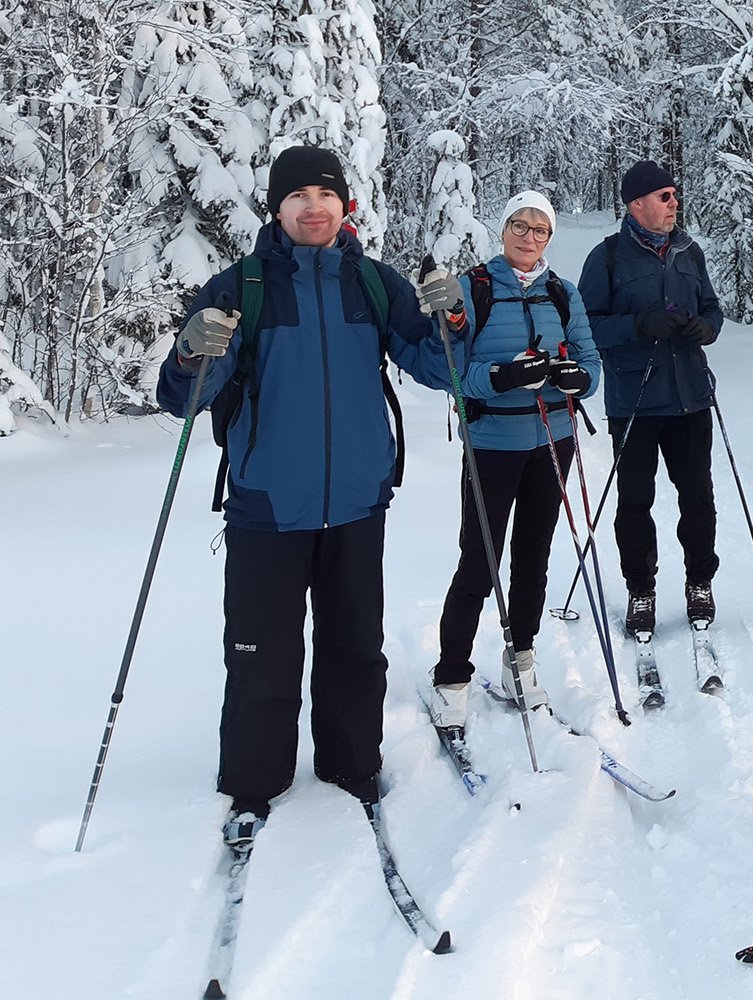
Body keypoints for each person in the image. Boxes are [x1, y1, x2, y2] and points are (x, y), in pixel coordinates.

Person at [156, 145, 460, 840]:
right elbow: (183, 396)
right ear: (277, 209)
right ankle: (255, 779)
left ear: (345, 206)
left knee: (356, 647)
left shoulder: (374, 284)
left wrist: (451, 325)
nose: (314, 208)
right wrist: (190, 350)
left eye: (326, 196)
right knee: (262, 650)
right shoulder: (243, 288)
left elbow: (438, 370)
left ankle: (353, 766)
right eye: (299, 198)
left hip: (357, 502)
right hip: (267, 505)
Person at [429, 191, 600, 725]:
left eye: (540, 229)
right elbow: (450, 373)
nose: (529, 238)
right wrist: (504, 377)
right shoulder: (472, 288)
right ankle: (452, 675)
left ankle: (519, 659)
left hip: (552, 442)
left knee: (533, 556)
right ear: (502, 230)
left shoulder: (562, 292)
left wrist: (576, 379)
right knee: (479, 560)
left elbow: (590, 365)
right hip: (492, 444)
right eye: (520, 227)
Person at [578, 160, 726, 635]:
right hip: (635, 400)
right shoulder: (606, 258)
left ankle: (699, 581)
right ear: (635, 203)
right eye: (664, 196)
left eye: (675, 195)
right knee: (635, 502)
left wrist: (707, 328)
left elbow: (712, 308)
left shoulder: (689, 252)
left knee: (698, 497)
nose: (674, 204)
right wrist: (638, 325)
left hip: (689, 397)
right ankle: (640, 590)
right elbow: (585, 327)